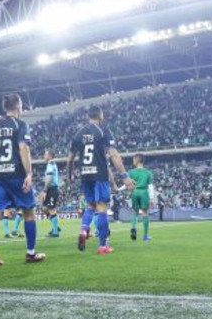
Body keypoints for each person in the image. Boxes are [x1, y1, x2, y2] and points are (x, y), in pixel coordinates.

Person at [0, 93, 45, 266]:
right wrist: (29, 173)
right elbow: (23, 148)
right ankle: (31, 253)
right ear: (18, 106)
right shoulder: (20, 125)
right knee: (29, 213)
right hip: (16, 174)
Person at [66, 106, 134, 254]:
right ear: (101, 116)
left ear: (88, 116)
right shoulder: (103, 131)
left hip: (85, 175)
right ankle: (103, 246)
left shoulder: (79, 133)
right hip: (100, 175)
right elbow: (114, 155)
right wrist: (125, 176)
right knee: (102, 207)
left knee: (90, 205)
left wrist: (69, 175)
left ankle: (83, 230)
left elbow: (70, 158)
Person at [128, 154, 155, 242]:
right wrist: (152, 198)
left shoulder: (131, 172)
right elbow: (150, 186)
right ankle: (145, 236)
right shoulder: (148, 172)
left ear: (137, 160)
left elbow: (127, 184)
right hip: (143, 192)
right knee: (145, 213)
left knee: (135, 212)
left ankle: (133, 228)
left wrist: (118, 189)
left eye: (133, 159)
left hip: (135, 192)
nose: (133, 161)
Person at [42, 149, 62, 237]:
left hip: (51, 189)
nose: (44, 156)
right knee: (44, 209)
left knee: (51, 209)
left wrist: (45, 190)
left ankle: (55, 232)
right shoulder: (51, 164)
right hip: (51, 189)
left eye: (45, 154)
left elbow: (49, 178)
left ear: (50, 156)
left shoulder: (50, 164)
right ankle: (55, 226)